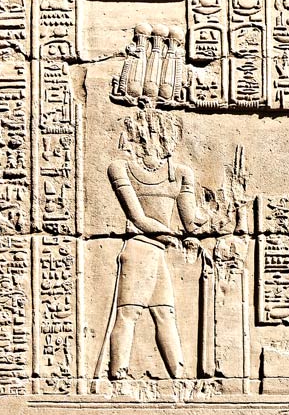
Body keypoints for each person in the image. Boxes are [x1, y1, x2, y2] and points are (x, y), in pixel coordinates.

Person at [106, 107, 205, 379]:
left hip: (158, 253)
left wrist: (220, 212)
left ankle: (179, 376)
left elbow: (191, 222)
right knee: (129, 314)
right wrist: (171, 236)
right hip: (139, 249)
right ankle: (118, 373)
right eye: (148, 134)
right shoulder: (120, 168)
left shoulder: (181, 173)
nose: (157, 141)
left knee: (165, 313)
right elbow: (137, 218)